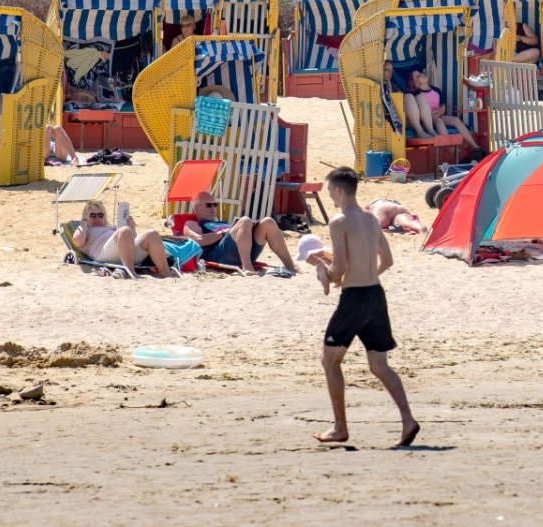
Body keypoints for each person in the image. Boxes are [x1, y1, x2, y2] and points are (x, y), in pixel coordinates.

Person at [313, 166, 419, 447]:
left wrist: (325, 272)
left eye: (330, 192)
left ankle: (339, 427)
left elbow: (340, 268)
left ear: (337, 190)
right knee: (379, 364)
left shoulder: (338, 222)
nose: (331, 198)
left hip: (355, 299)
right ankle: (408, 419)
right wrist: (360, 276)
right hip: (375, 295)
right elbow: (387, 260)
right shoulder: (372, 220)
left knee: (330, 360)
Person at [181, 192, 298, 274]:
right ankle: (247, 267)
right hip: (219, 255)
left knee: (268, 222)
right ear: (196, 209)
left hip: (243, 249)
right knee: (245, 220)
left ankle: (290, 266)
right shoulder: (191, 223)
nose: (213, 208)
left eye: (215, 204)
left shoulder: (220, 222)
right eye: (208, 205)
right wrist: (223, 233)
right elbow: (198, 240)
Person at [72, 200, 172, 278]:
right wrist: (84, 221)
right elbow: (77, 242)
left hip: (127, 253)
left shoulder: (111, 227)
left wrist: (132, 228)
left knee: (152, 234)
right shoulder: (85, 229)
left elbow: (131, 240)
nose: (97, 218)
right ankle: (130, 271)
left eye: (100, 215)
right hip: (103, 253)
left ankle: (166, 273)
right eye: (92, 215)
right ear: (86, 217)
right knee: (124, 231)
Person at [407, 69, 485, 159]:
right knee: (438, 121)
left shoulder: (436, 90)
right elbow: (419, 110)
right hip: (427, 118)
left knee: (455, 120)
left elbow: (443, 106)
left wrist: (441, 109)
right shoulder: (417, 94)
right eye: (417, 76)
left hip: (439, 114)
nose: (421, 74)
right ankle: (449, 145)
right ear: (416, 84)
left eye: (420, 73)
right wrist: (431, 114)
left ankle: (475, 146)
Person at [383, 60, 426, 138]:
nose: (390, 73)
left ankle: (424, 131)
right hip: (388, 118)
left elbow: (400, 98)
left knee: (412, 97)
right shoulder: (376, 86)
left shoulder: (392, 85)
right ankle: (420, 131)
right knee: (409, 97)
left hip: (400, 115)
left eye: (391, 71)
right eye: (387, 70)